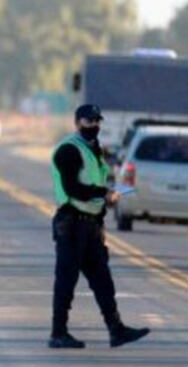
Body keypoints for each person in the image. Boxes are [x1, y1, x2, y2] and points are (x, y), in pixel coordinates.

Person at [48, 104, 150, 349]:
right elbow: (73, 188)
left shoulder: (94, 150)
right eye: (88, 121)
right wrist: (103, 193)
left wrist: (107, 200)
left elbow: (96, 184)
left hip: (91, 225)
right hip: (71, 223)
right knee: (66, 281)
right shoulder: (69, 150)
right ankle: (58, 333)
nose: (93, 125)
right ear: (77, 123)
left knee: (103, 281)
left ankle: (117, 330)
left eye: (97, 121)